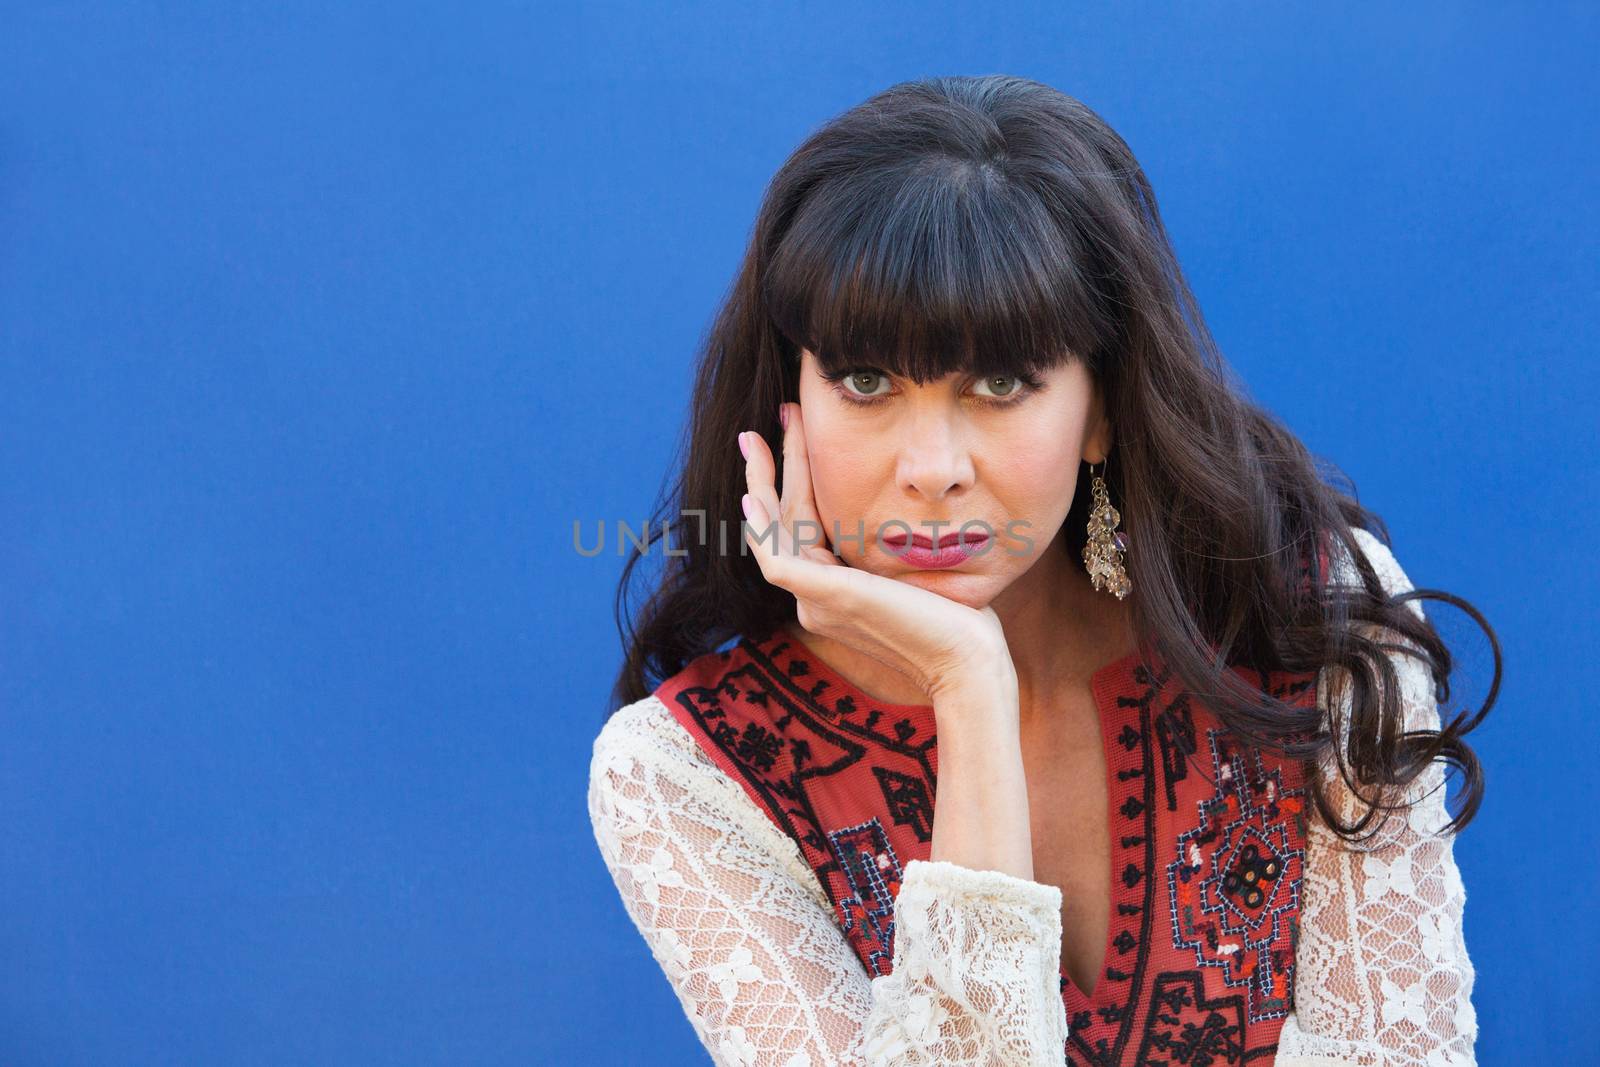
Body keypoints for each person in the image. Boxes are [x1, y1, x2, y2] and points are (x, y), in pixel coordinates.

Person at [588, 74, 1497, 1066]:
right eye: (864, 381)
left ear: (1101, 404)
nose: (932, 469)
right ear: (788, 398)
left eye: (1000, 381)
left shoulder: (1305, 620)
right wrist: (967, 685)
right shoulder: (688, 770)